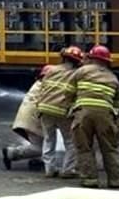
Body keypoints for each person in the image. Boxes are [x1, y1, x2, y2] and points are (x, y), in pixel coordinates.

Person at [71, 44, 119, 188]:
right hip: (106, 115)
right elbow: (118, 102)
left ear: (91, 58)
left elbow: (69, 92)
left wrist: (71, 109)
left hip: (83, 114)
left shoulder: (81, 72)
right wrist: (115, 117)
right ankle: (115, 181)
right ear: (107, 61)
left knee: (84, 147)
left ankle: (90, 180)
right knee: (110, 148)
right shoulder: (113, 78)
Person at [35, 45, 83, 178]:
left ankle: (49, 170)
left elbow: (42, 88)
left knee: (49, 140)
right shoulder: (76, 74)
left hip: (44, 108)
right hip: (62, 110)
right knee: (70, 141)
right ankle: (67, 170)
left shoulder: (51, 70)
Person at [1, 65, 51, 170]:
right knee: (40, 148)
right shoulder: (46, 86)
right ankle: (11, 153)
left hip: (28, 117)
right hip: (32, 119)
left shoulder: (39, 84)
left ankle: (36, 161)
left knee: (42, 142)